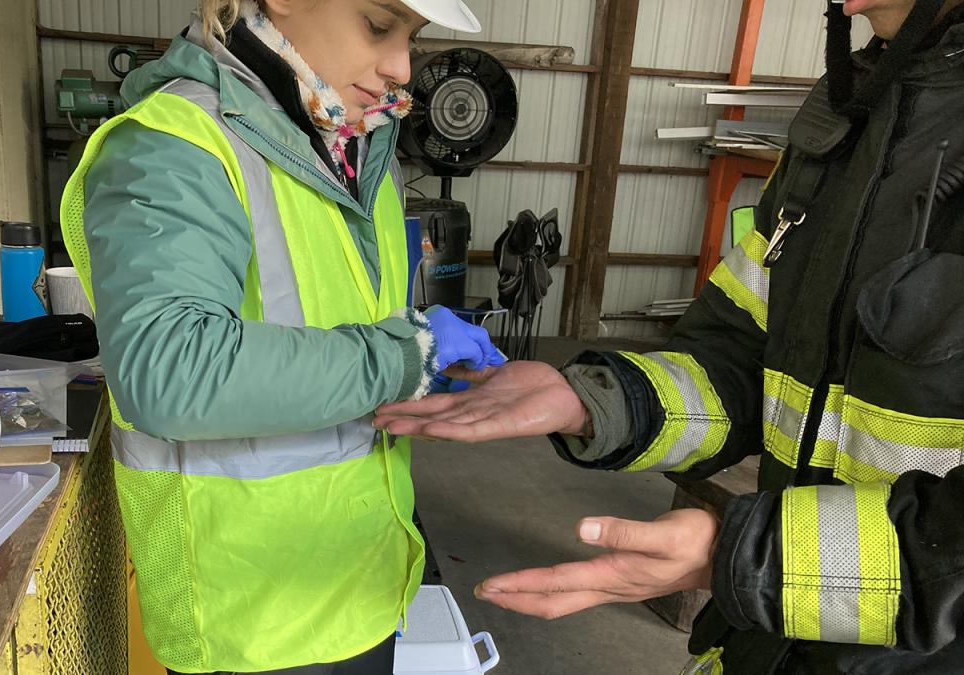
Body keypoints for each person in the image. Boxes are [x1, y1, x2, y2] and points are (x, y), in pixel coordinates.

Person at [375, 0, 964, 672]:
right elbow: (739, 359)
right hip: (773, 642)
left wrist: (747, 559)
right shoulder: (846, 115)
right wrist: (593, 398)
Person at [58, 1, 503, 673]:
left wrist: (421, 374)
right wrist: (404, 355)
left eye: (415, 37)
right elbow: (168, 372)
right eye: (379, 26)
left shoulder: (358, 146)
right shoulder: (174, 144)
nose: (401, 68)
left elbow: (334, 335)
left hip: (360, 587)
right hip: (250, 628)